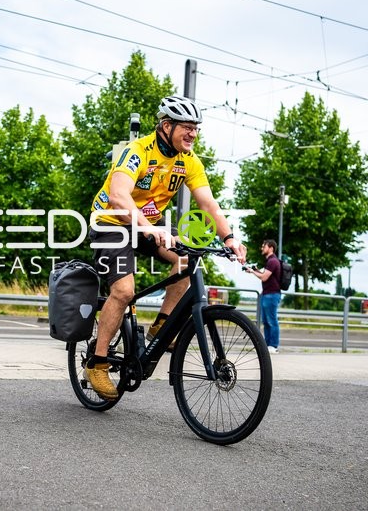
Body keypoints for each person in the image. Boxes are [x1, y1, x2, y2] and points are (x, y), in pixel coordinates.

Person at [86, 96, 247, 400]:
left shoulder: (189, 161)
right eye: (187, 127)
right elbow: (119, 196)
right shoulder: (137, 152)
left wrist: (229, 238)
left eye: (196, 129)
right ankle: (98, 362)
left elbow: (209, 204)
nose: (193, 134)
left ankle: (161, 327)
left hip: (148, 225)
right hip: (110, 222)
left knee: (189, 260)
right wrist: (149, 229)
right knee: (123, 291)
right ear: (166, 126)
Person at [245, 239, 281, 353]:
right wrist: (254, 270)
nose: (262, 248)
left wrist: (252, 272)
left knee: (272, 321)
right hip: (267, 294)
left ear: (271, 248)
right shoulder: (270, 261)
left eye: (264, 246)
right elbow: (263, 274)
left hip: (272, 294)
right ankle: (267, 345)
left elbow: (264, 277)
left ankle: (273, 346)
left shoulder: (273, 261)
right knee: (266, 321)